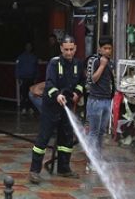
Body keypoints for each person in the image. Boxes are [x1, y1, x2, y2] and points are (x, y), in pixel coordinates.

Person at [29, 36, 85, 184]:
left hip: (67, 107)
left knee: (66, 138)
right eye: (66, 49)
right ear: (61, 48)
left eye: (71, 49)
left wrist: (77, 93)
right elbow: (49, 83)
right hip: (52, 107)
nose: (68, 53)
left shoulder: (78, 64)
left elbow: (81, 82)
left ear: (75, 48)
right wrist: (57, 95)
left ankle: (63, 168)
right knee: (44, 137)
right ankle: (34, 171)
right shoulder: (54, 64)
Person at [85, 36, 115, 166]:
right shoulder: (95, 61)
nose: (107, 51)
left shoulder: (111, 62)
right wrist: (102, 65)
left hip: (107, 101)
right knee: (94, 132)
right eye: (105, 48)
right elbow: (93, 79)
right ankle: (91, 160)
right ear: (100, 49)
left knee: (102, 131)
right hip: (95, 101)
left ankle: (98, 156)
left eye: (109, 48)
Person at [16, 42, 39, 114]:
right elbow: (17, 67)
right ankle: (24, 108)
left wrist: (36, 77)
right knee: (24, 94)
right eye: (27, 46)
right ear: (25, 47)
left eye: (30, 46)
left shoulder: (34, 57)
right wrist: (18, 77)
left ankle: (30, 108)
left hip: (31, 78)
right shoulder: (21, 57)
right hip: (24, 78)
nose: (28, 48)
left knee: (31, 94)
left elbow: (36, 68)